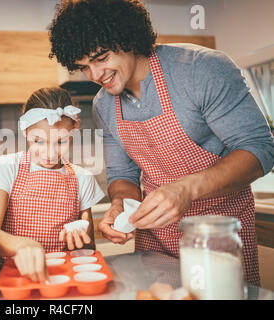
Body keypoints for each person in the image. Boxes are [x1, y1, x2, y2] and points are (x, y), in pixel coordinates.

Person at [48, 0, 274, 285]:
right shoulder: (103, 106)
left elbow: (260, 148)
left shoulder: (201, 70)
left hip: (215, 234)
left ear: (128, 37)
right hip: (154, 239)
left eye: (101, 58)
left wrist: (186, 189)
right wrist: (121, 204)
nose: (94, 75)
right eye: (83, 67)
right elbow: (123, 176)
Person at [0, 87, 104, 282]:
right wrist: (24, 246)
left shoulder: (83, 178)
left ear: (73, 131)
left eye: (61, 142)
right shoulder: (6, 167)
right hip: (12, 276)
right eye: (38, 141)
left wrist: (80, 241)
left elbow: (88, 249)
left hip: (61, 277)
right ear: (25, 132)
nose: (50, 154)